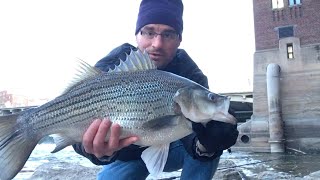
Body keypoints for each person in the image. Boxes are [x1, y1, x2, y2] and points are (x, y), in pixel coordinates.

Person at [73, 0, 239, 179]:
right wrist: (97, 150)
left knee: (211, 148)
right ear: (137, 34)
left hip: (174, 148)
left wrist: (207, 144)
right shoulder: (113, 64)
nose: (157, 43)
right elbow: (72, 117)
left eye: (168, 34)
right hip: (127, 155)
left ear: (179, 39)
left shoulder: (190, 74)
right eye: (149, 32)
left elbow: (195, 129)